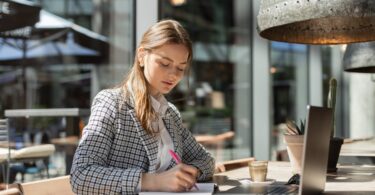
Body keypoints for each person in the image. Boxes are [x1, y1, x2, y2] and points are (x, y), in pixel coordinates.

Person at [70, 19, 215, 194]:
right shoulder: (112, 103)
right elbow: (81, 176)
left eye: (181, 68)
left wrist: (189, 174)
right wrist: (153, 182)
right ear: (141, 56)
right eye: (164, 63)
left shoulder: (170, 114)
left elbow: (205, 159)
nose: (173, 75)